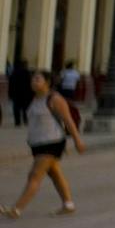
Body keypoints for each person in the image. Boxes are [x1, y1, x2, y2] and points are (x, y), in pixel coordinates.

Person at [4, 69, 86, 218]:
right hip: (37, 143)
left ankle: (17, 209)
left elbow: (68, 121)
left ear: (47, 82)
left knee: (34, 175)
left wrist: (77, 141)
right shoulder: (34, 99)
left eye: (37, 79)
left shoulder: (55, 99)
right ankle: (68, 204)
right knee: (55, 173)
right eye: (33, 79)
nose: (34, 82)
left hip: (52, 142)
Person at [8, 59, 32, 127]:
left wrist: (10, 94)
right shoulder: (28, 73)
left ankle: (17, 122)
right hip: (26, 94)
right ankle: (25, 120)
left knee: (16, 108)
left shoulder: (14, 72)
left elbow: (11, 84)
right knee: (26, 108)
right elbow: (31, 84)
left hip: (16, 93)